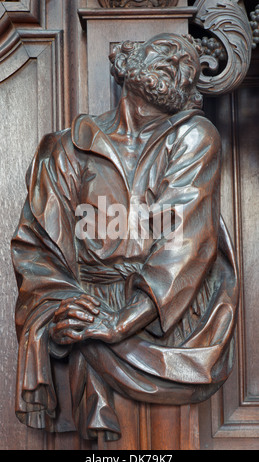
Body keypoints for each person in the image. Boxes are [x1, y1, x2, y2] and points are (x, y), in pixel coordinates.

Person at [11, 33, 239, 441]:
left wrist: (119, 322)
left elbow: (183, 246)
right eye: (165, 47)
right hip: (91, 321)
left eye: (186, 59)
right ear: (128, 60)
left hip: (168, 330)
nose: (176, 58)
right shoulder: (64, 150)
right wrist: (67, 309)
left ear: (189, 87)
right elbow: (37, 251)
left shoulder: (193, 138)